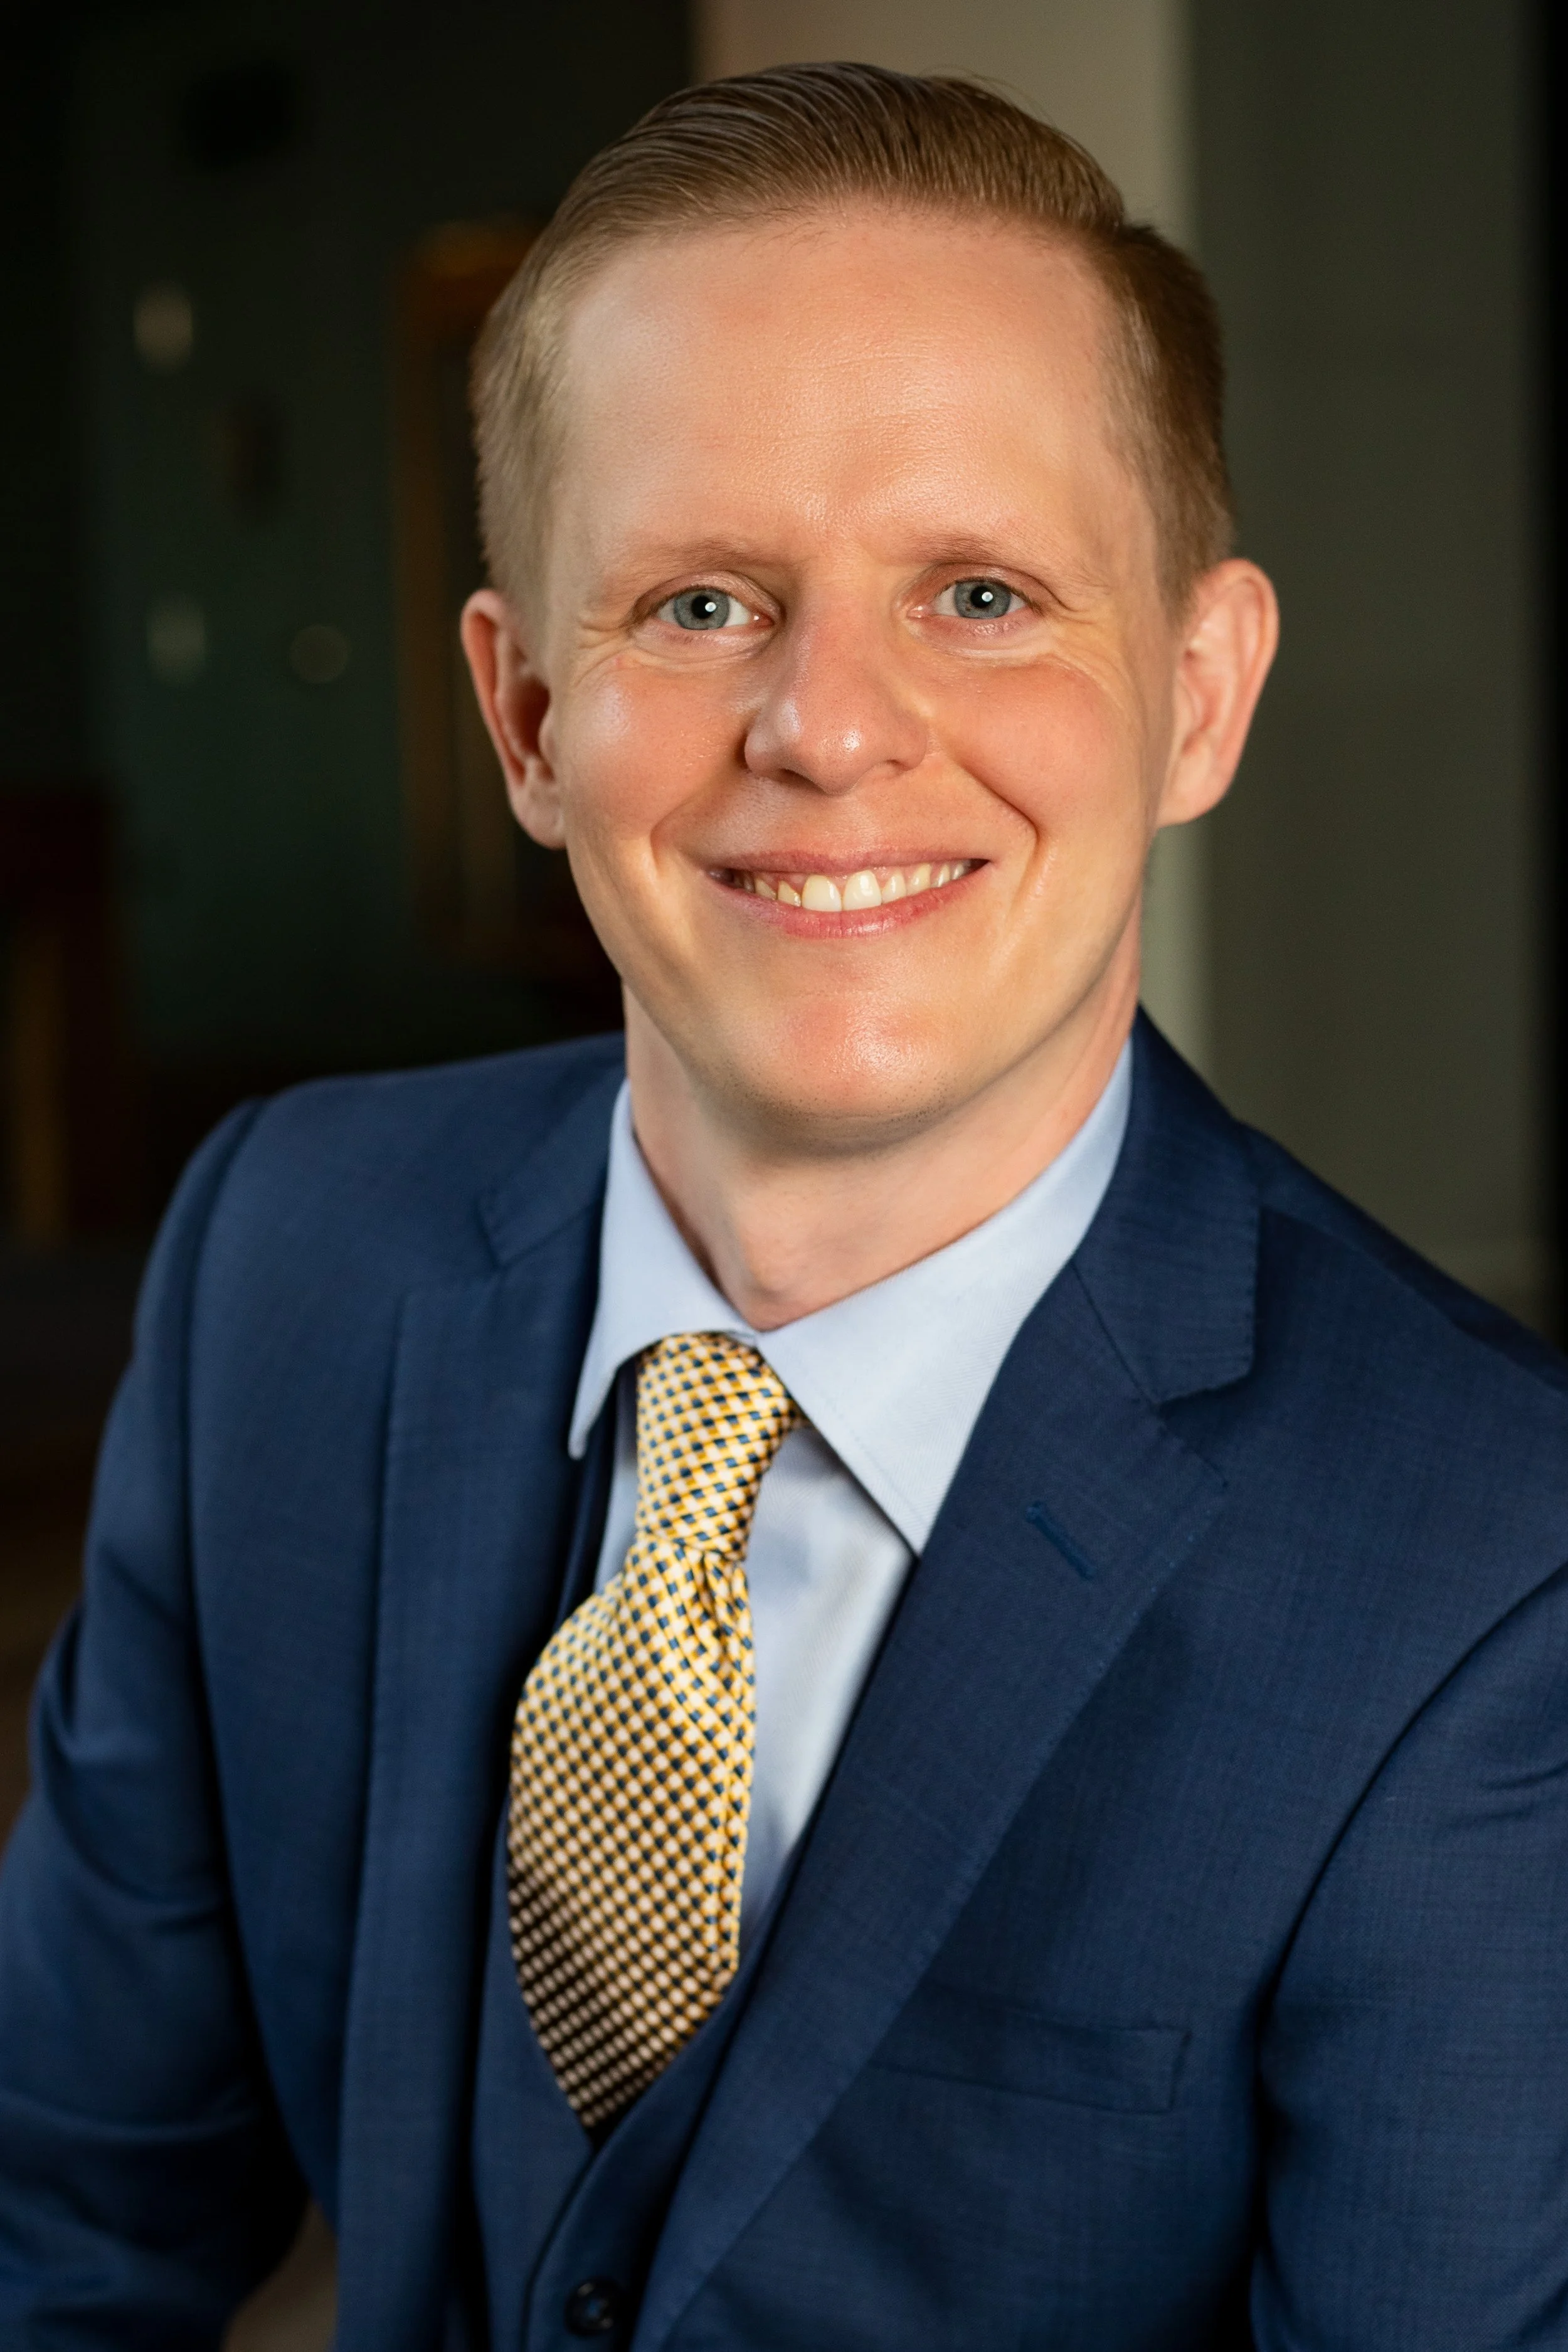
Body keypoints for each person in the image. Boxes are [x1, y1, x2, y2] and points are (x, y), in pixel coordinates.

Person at [3, 60, 1567, 2352]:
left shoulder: (1483, 1565)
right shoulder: (283, 1261)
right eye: (704, 598)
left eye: (980, 589)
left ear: (1201, 694)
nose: (831, 726)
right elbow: (61, 2220)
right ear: (525, 710)